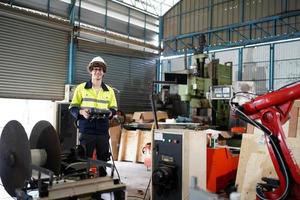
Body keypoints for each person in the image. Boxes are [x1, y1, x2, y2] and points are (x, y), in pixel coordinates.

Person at [69, 56, 117, 177]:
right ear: (91, 70)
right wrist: (81, 112)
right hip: (87, 130)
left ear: (103, 72)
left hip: (102, 131)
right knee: (84, 161)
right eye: (95, 69)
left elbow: (114, 108)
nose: (97, 72)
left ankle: (101, 187)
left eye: (100, 69)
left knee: (102, 161)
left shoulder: (109, 91)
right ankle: (85, 187)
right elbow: (72, 107)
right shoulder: (81, 88)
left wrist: (111, 113)